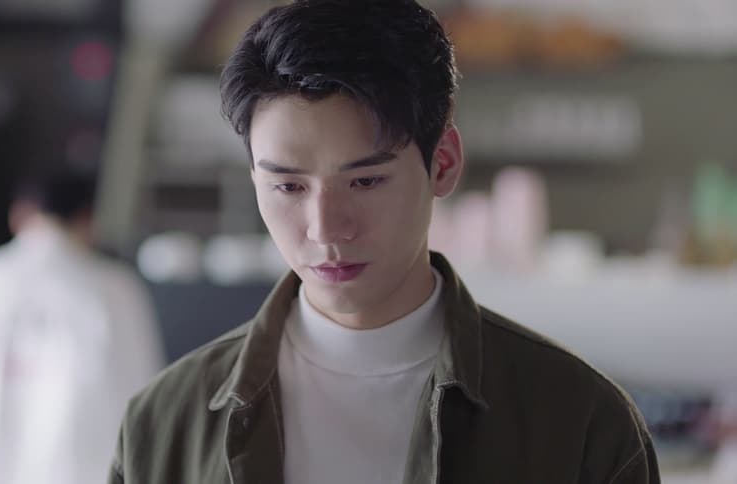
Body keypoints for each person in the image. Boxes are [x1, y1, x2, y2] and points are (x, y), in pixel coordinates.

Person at [109, 1, 659, 483]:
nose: (326, 228)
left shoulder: (579, 422)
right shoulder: (163, 426)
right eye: (288, 186)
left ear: (443, 164)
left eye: (366, 181)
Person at [0, 173, 164, 484]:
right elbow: (143, 397)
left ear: (19, 215)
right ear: (88, 220)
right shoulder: (114, 290)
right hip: (80, 471)